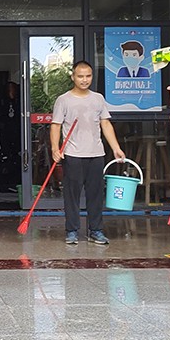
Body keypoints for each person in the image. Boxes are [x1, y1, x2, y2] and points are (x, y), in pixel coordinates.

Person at [51, 61, 126, 246]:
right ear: (73, 77)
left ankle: (96, 230)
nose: (84, 80)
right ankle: (71, 231)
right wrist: (55, 148)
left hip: (96, 153)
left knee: (96, 195)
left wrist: (116, 148)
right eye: (80, 76)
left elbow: (105, 123)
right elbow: (56, 125)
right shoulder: (64, 100)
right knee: (72, 196)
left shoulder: (98, 99)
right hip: (73, 154)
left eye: (88, 76)